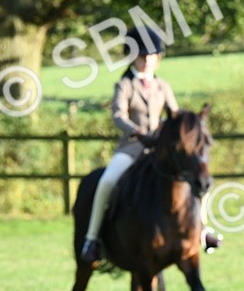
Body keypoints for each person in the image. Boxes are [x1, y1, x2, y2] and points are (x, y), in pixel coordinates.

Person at [79, 26, 221, 264]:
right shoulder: (124, 86)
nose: (147, 61)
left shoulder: (162, 86)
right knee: (106, 181)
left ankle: (203, 231)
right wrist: (137, 132)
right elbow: (118, 116)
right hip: (132, 147)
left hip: (160, 150)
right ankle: (92, 239)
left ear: (158, 59)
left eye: (151, 57)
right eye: (142, 56)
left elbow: (175, 116)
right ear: (132, 57)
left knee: (197, 179)